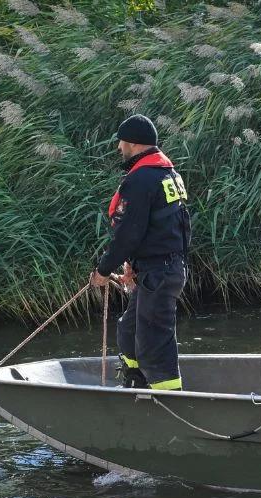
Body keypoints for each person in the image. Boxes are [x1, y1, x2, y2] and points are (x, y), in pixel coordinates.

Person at [89, 114, 190, 391]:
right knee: (129, 330)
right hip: (163, 268)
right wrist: (134, 266)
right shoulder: (168, 175)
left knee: (153, 342)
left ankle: (170, 400)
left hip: (160, 271)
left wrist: (103, 270)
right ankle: (137, 383)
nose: (119, 148)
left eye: (121, 142)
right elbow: (173, 228)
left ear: (133, 143)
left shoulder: (142, 179)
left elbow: (129, 233)